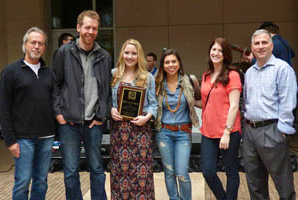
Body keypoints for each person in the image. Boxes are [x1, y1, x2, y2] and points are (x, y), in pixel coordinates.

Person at [53, 10, 111, 200]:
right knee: (70, 171)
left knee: (97, 169)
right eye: (87, 27)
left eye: (94, 28)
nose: (90, 31)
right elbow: (56, 85)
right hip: (69, 123)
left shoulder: (104, 56)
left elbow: (106, 91)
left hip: (93, 123)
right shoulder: (63, 53)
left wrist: (101, 116)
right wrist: (59, 114)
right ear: (79, 28)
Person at [0, 27, 55, 200]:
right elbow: (3, 107)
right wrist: (10, 140)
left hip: (47, 137)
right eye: (33, 42)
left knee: (41, 181)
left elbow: (54, 104)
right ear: (25, 45)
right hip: (23, 139)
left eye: (41, 43)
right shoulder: (11, 71)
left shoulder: (49, 73)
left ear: (44, 47)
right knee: (22, 182)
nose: (37, 46)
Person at [243, 29, 297, 200]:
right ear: (252, 47)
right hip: (250, 132)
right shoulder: (250, 73)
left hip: (272, 130)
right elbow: (246, 100)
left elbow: (288, 101)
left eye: (264, 42)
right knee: (254, 184)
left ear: (272, 45)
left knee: (283, 183)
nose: (260, 47)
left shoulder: (282, 69)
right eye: (257, 43)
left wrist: (282, 129)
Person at [110, 39, 158, 200]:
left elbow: (153, 105)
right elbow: (107, 101)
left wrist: (147, 118)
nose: (130, 56)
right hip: (119, 133)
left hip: (140, 132)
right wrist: (111, 110)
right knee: (120, 175)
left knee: (141, 176)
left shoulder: (147, 77)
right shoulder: (113, 74)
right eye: (127, 52)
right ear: (122, 54)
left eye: (134, 53)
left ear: (139, 56)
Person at [198, 38, 242, 200]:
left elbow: (234, 106)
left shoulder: (233, 75)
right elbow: (206, 103)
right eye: (213, 49)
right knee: (208, 171)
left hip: (228, 132)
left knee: (231, 171)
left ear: (225, 55)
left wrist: (227, 132)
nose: (216, 53)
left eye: (220, 51)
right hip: (208, 132)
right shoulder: (206, 75)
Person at [154, 49, 199, 200]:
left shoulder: (188, 81)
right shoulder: (158, 83)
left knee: (182, 173)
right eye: (167, 62)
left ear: (179, 64)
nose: (171, 65)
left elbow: (200, 101)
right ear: (163, 65)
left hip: (183, 133)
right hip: (164, 133)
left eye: (174, 61)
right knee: (169, 172)